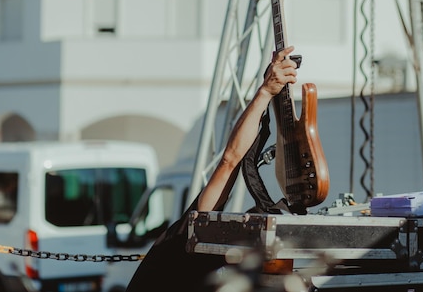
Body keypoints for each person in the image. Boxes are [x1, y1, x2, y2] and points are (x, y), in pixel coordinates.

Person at [125, 46, 300, 292]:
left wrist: (266, 92)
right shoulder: (186, 246)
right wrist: (266, 92)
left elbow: (231, 161)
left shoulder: (187, 244)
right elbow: (230, 161)